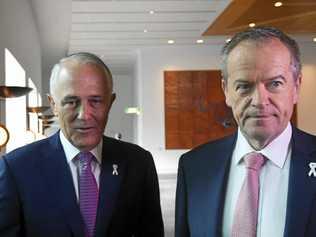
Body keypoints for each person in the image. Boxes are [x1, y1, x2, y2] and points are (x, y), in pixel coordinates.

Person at [0, 52, 164, 237]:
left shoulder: (139, 163)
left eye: (95, 101)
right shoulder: (17, 168)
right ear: (53, 104)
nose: (84, 115)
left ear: (110, 102)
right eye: (71, 102)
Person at [175, 26, 316, 237]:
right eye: (244, 86)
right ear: (226, 91)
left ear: (296, 87)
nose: (259, 101)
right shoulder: (194, 166)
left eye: (275, 83)